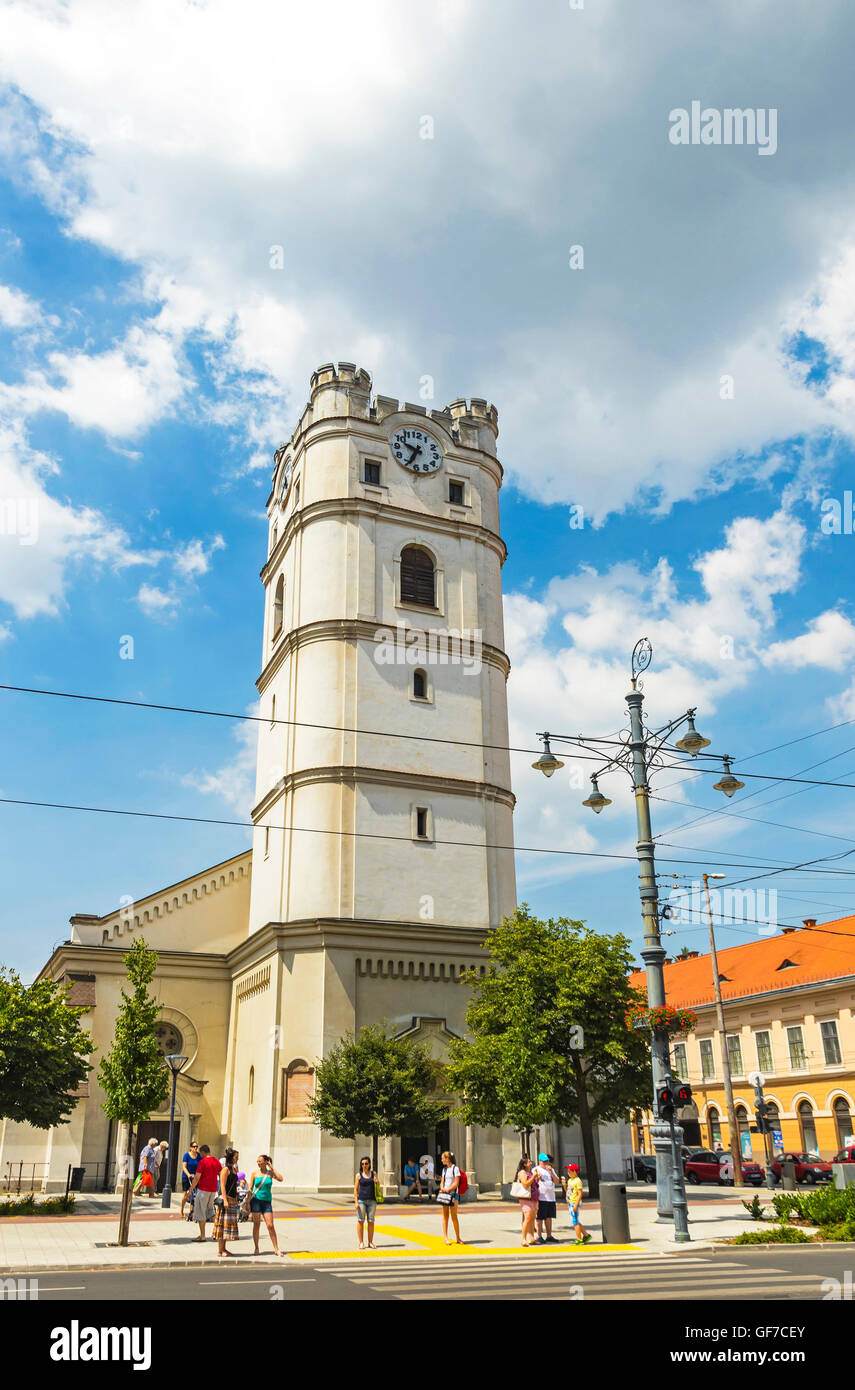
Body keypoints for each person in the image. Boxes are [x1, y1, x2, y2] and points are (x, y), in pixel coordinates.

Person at [246, 1154, 286, 1257]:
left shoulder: (270, 1173)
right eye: (257, 1161)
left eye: (260, 1161)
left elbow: (281, 1179)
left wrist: (272, 1167)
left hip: (267, 1202)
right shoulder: (254, 1173)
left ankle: (276, 1249)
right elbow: (250, 1188)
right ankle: (256, 1248)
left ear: (265, 1162)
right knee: (257, 1224)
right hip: (255, 1200)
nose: (258, 1163)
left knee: (270, 1225)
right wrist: (247, 1202)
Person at [189, 1144, 221, 1242]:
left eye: (200, 1153)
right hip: (213, 1190)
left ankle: (202, 1236)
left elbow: (197, 1177)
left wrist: (191, 1189)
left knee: (201, 1212)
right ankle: (219, 1232)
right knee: (210, 1212)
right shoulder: (216, 1161)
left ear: (203, 1152)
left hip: (203, 1189)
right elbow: (221, 1173)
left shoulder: (203, 1162)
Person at [213, 1147, 240, 1257]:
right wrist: (225, 1200)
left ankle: (224, 1248)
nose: (237, 1159)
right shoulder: (225, 1170)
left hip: (232, 1199)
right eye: (236, 1157)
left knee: (227, 1226)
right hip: (227, 1199)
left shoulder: (233, 1169)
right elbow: (222, 1185)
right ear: (231, 1157)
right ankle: (220, 1250)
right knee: (222, 1225)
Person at [534, 1152, 561, 1243]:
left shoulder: (551, 1170)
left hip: (551, 1197)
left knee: (549, 1216)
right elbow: (533, 1182)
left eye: (547, 1161)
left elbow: (557, 1181)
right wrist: (537, 1178)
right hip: (541, 1197)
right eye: (544, 1161)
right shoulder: (536, 1169)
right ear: (540, 1161)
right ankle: (539, 1235)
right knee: (540, 1217)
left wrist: (551, 1173)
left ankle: (549, 1235)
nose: (546, 1163)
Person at [438, 1149, 463, 1245]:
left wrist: (448, 1189)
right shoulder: (444, 1170)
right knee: (445, 1216)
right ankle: (445, 1237)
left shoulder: (455, 1169)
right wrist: (442, 1188)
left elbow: (456, 1183)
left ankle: (458, 1237)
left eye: (442, 1158)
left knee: (454, 1216)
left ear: (447, 1159)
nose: (441, 1160)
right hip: (445, 1194)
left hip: (453, 1194)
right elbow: (442, 1181)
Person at [354, 1156, 378, 1250]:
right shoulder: (358, 1175)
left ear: (369, 1164)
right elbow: (355, 1189)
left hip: (372, 1201)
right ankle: (361, 1242)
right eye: (363, 1164)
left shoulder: (373, 1174)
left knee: (371, 1221)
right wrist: (356, 1202)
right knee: (360, 1221)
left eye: (366, 1163)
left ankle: (370, 1242)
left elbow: (378, 1186)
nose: (364, 1165)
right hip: (361, 1201)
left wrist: (377, 1182)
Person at [515, 1156, 539, 1247]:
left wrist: (537, 1178)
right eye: (529, 1162)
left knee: (532, 1218)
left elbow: (534, 1184)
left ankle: (532, 1238)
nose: (531, 1163)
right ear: (524, 1164)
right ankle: (524, 1239)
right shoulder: (522, 1172)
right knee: (528, 1218)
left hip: (534, 1197)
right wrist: (533, 1177)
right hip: (526, 1198)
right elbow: (525, 1184)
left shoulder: (530, 1172)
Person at [565, 1163, 591, 1244]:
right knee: (575, 1220)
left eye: (570, 1171)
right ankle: (586, 1235)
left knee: (575, 1222)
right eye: (568, 1171)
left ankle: (579, 1239)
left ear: (575, 1172)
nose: (568, 1172)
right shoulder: (569, 1180)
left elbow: (580, 1194)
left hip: (574, 1203)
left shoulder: (578, 1181)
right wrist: (563, 1185)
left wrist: (576, 1205)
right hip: (571, 1202)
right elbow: (568, 1192)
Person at [180, 1139, 200, 1219]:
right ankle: (181, 1210)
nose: (195, 1148)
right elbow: (184, 1167)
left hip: (195, 1178)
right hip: (186, 1177)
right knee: (186, 1194)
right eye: (194, 1146)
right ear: (190, 1148)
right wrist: (188, 1174)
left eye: (196, 1147)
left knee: (194, 1194)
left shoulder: (198, 1156)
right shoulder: (186, 1155)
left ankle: (192, 1211)